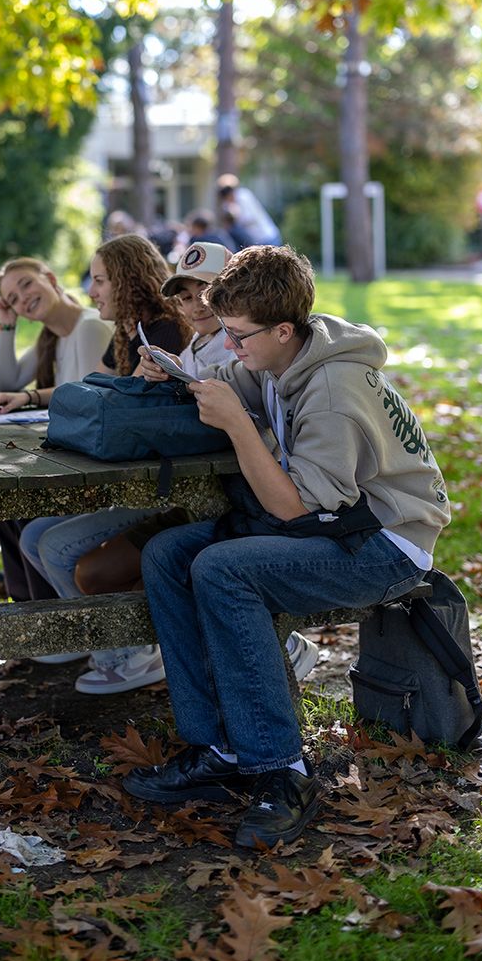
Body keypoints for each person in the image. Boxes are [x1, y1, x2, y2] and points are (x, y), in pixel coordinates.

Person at [124, 245, 450, 849]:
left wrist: (240, 426)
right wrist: (175, 372)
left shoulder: (332, 389)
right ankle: (219, 745)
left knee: (223, 570)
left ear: (282, 329)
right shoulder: (284, 355)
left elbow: (295, 507)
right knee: (166, 554)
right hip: (338, 526)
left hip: (386, 543)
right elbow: (229, 380)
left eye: (240, 336)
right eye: (225, 332)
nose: (232, 346)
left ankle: (282, 770)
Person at [71, 241, 319, 688]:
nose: (196, 304)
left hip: (250, 497)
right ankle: (183, 662)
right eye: (184, 296)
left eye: (208, 291)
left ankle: (270, 648)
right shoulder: (206, 348)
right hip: (216, 493)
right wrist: (165, 376)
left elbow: (302, 493)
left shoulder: (251, 348)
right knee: (142, 561)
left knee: (196, 562)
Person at [18, 233, 192, 688]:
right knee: (33, 533)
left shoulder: (167, 334)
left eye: (100, 280)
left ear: (129, 281)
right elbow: (102, 391)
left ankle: (130, 654)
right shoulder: (132, 332)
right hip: (135, 481)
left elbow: (130, 414)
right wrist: (35, 397)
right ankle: (95, 638)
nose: (92, 291)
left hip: (170, 489)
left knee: (55, 545)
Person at [0, 256, 114, 609]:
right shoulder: (54, 337)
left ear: (50, 277)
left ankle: (49, 617)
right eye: (12, 298)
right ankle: (29, 611)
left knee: (23, 505)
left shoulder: (88, 326)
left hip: (93, 466)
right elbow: (8, 380)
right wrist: (6, 325)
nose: (22, 298)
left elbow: (86, 393)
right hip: (69, 455)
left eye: (26, 284)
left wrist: (30, 396)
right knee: (4, 507)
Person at [216, 173, 281, 247]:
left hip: (267, 237)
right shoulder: (226, 205)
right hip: (255, 241)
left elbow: (251, 218)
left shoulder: (243, 196)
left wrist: (237, 215)